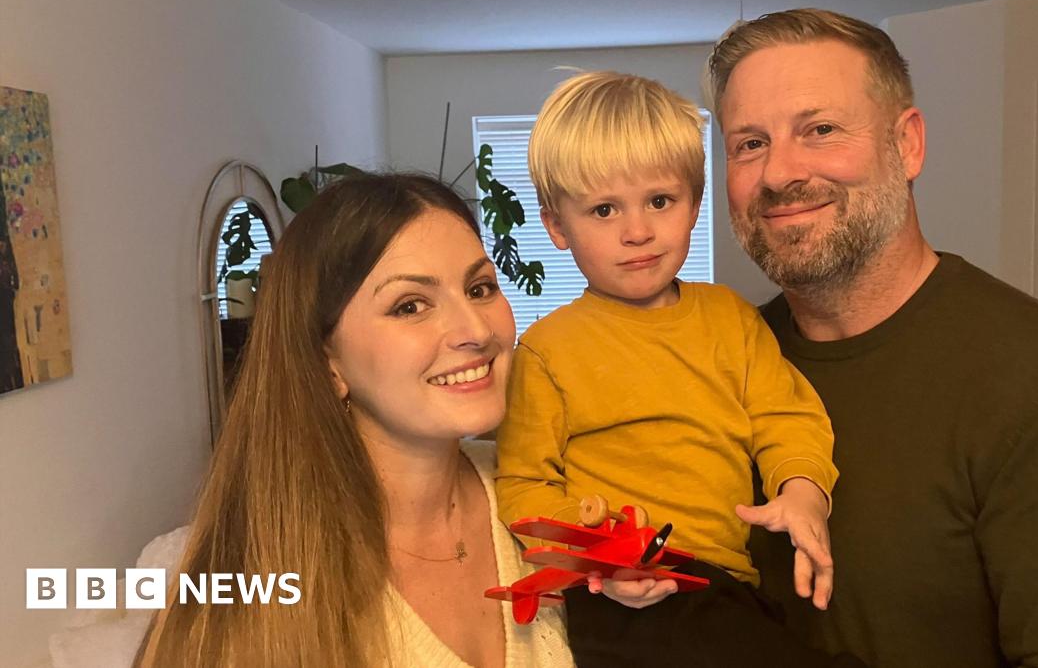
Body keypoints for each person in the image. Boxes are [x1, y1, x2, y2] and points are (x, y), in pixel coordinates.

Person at [707, 8, 1038, 667]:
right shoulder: (718, 365)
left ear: (908, 145)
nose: (780, 172)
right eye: (749, 143)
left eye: (820, 129)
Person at [54, 174, 573, 667]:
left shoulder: (544, 495)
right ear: (328, 364)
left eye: (480, 288)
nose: (475, 330)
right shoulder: (257, 576)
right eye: (411, 305)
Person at [495, 71, 860, 668]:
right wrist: (598, 556)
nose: (637, 231)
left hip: (722, 586)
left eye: (659, 201)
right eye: (604, 209)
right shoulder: (546, 351)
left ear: (694, 202)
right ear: (558, 226)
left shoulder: (730, 320)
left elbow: (786, 416)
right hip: (618, 594)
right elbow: (524, 484)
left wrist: (802, 492)